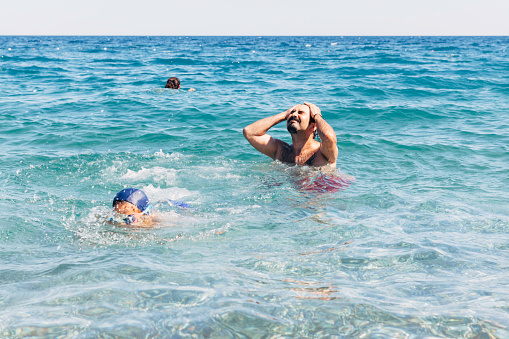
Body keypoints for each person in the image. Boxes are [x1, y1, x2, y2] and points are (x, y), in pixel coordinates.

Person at [243, 102, 338, 168]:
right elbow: (249, 132)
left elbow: (329, 137)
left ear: (312, 127)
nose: (294, 115)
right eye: (292, 112)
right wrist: (284, 114)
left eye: (300, 113)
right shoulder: (281, 150)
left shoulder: (322, 151)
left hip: (320, 193)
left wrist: (317, 115)